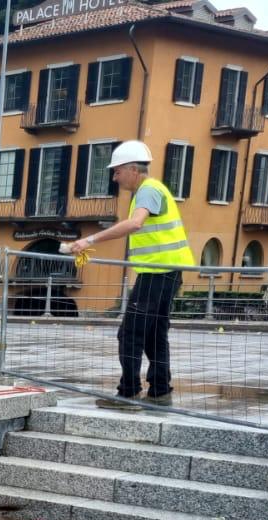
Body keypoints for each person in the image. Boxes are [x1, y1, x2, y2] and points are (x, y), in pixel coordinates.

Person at [62, 140, 193, 409]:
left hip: (157, 273)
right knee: (155, 333)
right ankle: (159, 391)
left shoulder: (147, 191)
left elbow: (135, 224)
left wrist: (90, 240)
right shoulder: (154, 190)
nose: (115, 177)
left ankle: (129, 392)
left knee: (130, 333)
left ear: (133, 169)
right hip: (167, 272)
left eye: (117, 171)